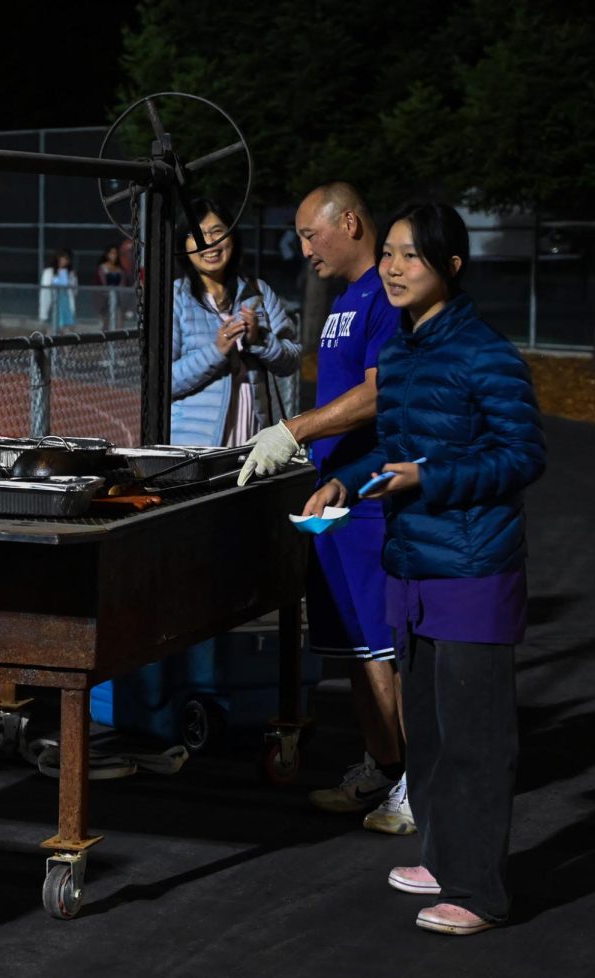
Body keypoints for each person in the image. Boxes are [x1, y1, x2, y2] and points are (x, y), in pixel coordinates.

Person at [303, 202, 545, 934]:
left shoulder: (486, 354)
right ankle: (445, 860)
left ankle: (479, 892)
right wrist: (350, 476)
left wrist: (429, 478)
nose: (395, 267)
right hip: (413, 566)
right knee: (432, 734)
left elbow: (522, 455)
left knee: (475, 738)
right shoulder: (404, 351)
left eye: (413, 256)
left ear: (452, 267)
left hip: (473, 569)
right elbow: (396, 445)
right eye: (392, 255)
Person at [238, 182, 410, 833]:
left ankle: (416, 782)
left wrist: (297, 431)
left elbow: (378, 394)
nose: (302, 246)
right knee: (356, 649)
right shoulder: (344, 299)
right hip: (332, 496)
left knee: (384, 651)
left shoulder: (387, 300)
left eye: (312, 233)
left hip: (368, 501)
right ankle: (382, 766)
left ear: (353, 223)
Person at [170, 200, 301, 446]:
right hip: (194, 446)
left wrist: (260, 340)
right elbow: (164, 382)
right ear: (183, 245)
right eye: (197, 234)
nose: (208, 242)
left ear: (232, 236)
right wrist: (216, 351)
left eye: (217, 231)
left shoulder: (258, 291)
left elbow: (292, 359)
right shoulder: (174, 298)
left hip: (254, 437)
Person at [39, 248, 77, 328]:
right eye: (63, 258)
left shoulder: (71, 273)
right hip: (52, 302)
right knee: (51, 326)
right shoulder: (49, 272)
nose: (64, 261)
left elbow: (74, 289)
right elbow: (45, 288)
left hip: (64, 302)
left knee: (64, 326)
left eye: (67, 259)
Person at [95, 244, 125, 331]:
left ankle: (117, 341)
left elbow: (122, 283)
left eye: (115, 253)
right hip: (105, 298)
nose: (113, 256)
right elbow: (101, 283)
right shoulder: (102, 268)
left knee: (118, 319)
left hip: (118, 298)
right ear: (107, 254)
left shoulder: (119, 269)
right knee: (106, 321)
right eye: (111, 253)